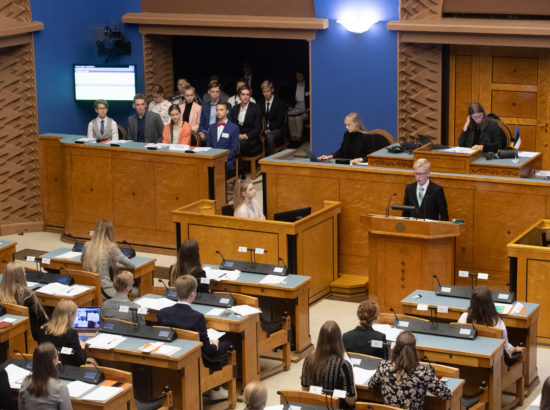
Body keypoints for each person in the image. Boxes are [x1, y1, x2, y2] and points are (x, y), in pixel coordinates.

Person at [157, 275, 231, 400]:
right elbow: (208, 351)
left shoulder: (162, 313)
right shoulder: (197, 317)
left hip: (172, 355)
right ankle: (216, 388)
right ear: (193, 294)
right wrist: (215, 343)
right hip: (196, 361)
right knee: (229, 343)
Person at [368, 331, 451, 409]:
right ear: (414, 349)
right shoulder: (422, 372)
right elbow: (446, 394)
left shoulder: (384, 366)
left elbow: (371, 385)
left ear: (396, 348)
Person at [301, 320, 356, 409]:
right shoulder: (344, 365)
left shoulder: (308, 360)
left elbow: (305, 391)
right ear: (339, 340)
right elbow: (351, 401)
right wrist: (352, 379)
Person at [458, 285, 524, 358]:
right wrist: (514, 349)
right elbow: (505, 347)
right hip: (494, 361)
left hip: (468, 356)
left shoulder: (463, 317)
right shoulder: (497, 322)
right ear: (490, 301)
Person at [81, 219, 136, 299]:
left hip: (89, 287)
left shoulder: (87, 245)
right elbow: (131, 265)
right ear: (110, 232)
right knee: (136, 291)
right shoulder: (111, 247)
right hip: (105, 289)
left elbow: (83, 261)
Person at [0, 262, 48, 341]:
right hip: (31, 334)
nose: (25, 274)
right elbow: (41, 318)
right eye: (24, 272)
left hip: (10, 334)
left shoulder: (1, 293)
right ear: (20, 276)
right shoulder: (27, 295)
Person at [318, 113, 391, 164]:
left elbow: (371, 157)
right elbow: (342, 150)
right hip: (346, 165)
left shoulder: (366, 137)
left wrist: (359, 159)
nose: (346, 127)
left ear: (356, 124)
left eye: (349, 125)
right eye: (346, 125)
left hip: (359, 168)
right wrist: (329, 156)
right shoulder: (347, 134)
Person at [18, 342, 72, 410]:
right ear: (54, 361)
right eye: (57, 354)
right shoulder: (60, 388)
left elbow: (20, 408)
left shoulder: (25, 382)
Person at [38, 299, 87, 367]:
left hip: (47, 367)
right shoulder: (71, 333)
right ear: (71, 315)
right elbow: (80, 361)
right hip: (68, 370)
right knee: (92, 361)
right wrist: (82, 348)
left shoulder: (43, 329)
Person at [230, 85, 262, 163]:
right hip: (237, 136)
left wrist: (244, 136)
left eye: (248, 95)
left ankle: (238, 170)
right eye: (243, 94)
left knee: (238, 144)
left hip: (251, 139)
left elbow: (258, 128)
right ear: (239, 96)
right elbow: (232, 125)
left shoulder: (256, 108)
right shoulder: (235, 108)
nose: (245, 97)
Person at [205, 102, 239, 177]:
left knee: (216, 171)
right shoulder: (212, 127)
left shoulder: (234, 128)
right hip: (212, 159)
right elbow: (208, 146)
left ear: (227, 111)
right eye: (217, 110)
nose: (218, 112)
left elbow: (233, 149)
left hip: (226, 161)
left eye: (221, 110)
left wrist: (222, 160)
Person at [259, 80, 286, 156]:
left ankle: (271, 160)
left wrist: (268, 129)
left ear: (272, 90)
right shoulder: (259, 103)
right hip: (262, 129)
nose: (266, 94)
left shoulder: (280, 103)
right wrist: (263, 129)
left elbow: (280, 121)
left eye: (268, 91)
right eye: (264, 92)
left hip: (277, 129)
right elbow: (258, 119)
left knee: (269, 136)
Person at [287, 70, 309, 148]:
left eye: (300, 75)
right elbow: (290, 98)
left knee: (298, 118)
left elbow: (311, 98)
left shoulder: (308, 84)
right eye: (297, 75)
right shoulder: (294, 84)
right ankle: (293, 139)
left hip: (305, 108)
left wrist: (308, 108)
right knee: (290, 117)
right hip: (296, 106)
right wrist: (290, 106)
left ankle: (298, 139)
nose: (298, 77)